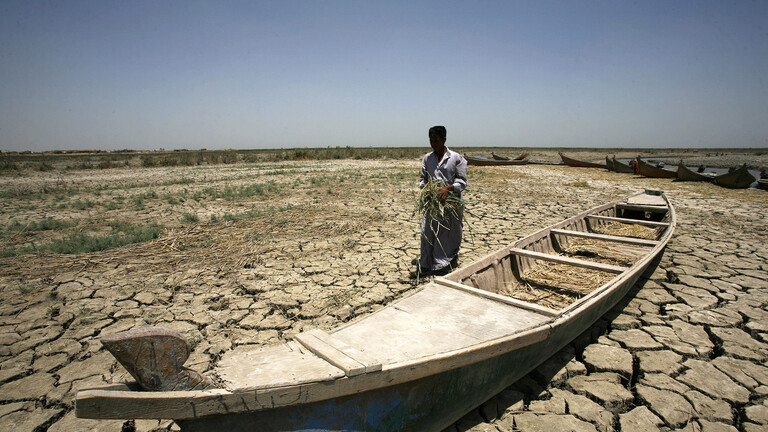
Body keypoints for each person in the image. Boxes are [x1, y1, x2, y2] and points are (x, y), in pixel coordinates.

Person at [414, 126, 467, 276]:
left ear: (444, 139)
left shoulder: (457, 158)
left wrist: (447, 188)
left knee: (447, 233)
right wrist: (426, 189)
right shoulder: (428, 158)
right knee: (427, 231)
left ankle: (443, 264)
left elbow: (462, 182)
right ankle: (424, 265)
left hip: (451, 202)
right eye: (431, 140)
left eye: (436, 140)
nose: (433, 143)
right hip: (432, 203)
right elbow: (423, 179)